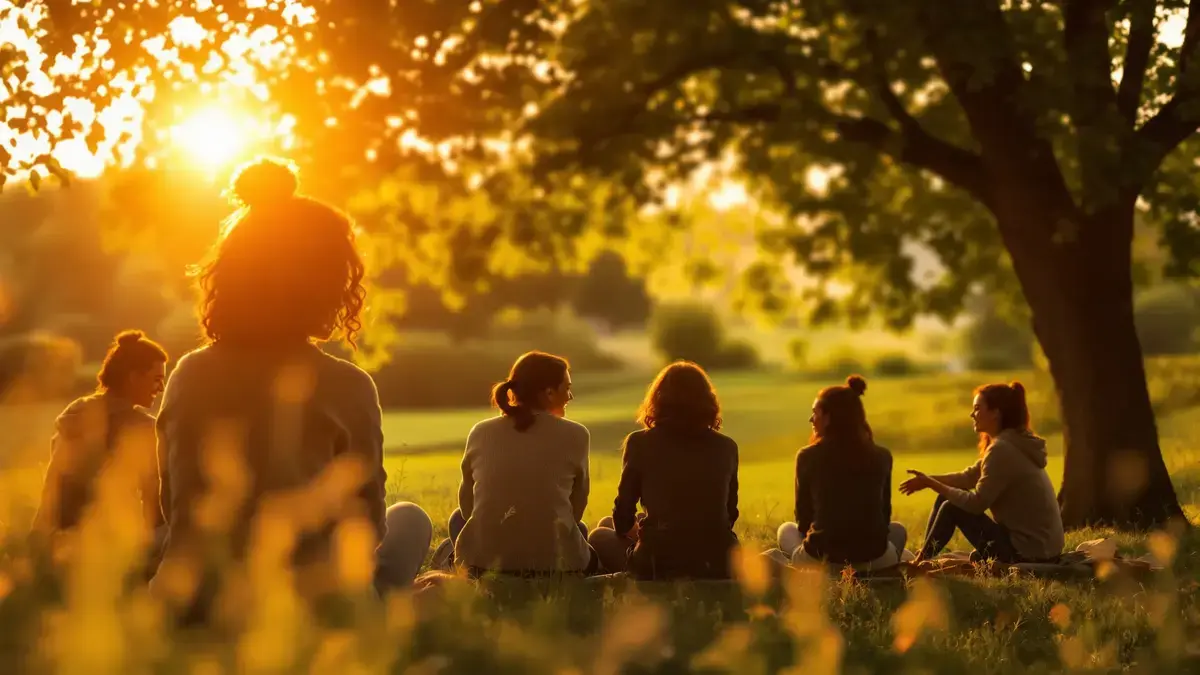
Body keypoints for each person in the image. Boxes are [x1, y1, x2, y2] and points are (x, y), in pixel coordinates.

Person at [150, 158, 431, 619]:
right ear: (331, 284)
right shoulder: (348, 385)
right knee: (410, 521)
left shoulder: (188, 374)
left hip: (193, 605)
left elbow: (173, 502)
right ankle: (397, 606)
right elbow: (368, 525)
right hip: (312, 611)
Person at [449, 351, 595, 577]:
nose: (570, 396)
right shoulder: (577, 434)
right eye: (566, 388)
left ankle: (453, 562)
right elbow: (576, 507)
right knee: (581, 529)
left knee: (457, 520)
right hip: (559, 566)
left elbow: (467, 503)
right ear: (548, 393)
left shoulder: (480, 431)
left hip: (482, 565)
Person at [587, 361, 739, 580]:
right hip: (718, 560)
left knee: (601, 534)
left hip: (659, 561)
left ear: (658, 399)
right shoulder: (727, 446)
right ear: (708, 401)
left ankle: (625, 574)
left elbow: (622, 518)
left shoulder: (640, 442)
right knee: (614, 524)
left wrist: (639, 532)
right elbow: (729, 514)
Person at [31, 330, 168, 558]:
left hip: (57, 539)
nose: (161, 388)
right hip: (107, 548)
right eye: (156, 379)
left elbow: (52, 488)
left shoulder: (75, 415)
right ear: (134, 377)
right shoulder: (141, 428)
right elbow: (154, 504)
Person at [902, 381, 1064, 564]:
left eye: (977, 408)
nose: (972, 414)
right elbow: (968, 478)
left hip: (1029, 552)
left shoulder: (1002, 449)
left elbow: (977, 504)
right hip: (1043, 548)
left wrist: (933, 484)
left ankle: (919, 563)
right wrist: (928, 480)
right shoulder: (1011, 443)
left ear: (995, 413)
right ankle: (923, 556)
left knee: (951, 506)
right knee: (945, 497)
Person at [773, 376, 907, 571]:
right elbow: (884, 516)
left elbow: (803, 518)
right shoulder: (882, 456)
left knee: (786, 530)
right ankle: (883, 566)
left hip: (822, 560)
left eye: (815, 413)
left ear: (828, 417)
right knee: (898, 530)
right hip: (875, 561)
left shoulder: (808, 456)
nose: (811, 419)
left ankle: (808, 570)